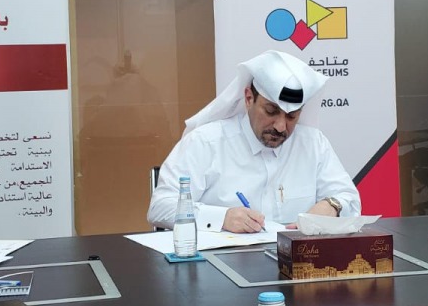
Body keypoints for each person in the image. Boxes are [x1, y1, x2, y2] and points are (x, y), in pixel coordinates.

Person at [147, 50, 361, 233]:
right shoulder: (206, 142)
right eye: (271, 111)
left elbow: (348, 198)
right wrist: (223, 218)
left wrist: (331, 205)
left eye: (291, 116)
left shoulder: (313, 143)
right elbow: (160, 207)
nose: (280, 126)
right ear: (249, 98)